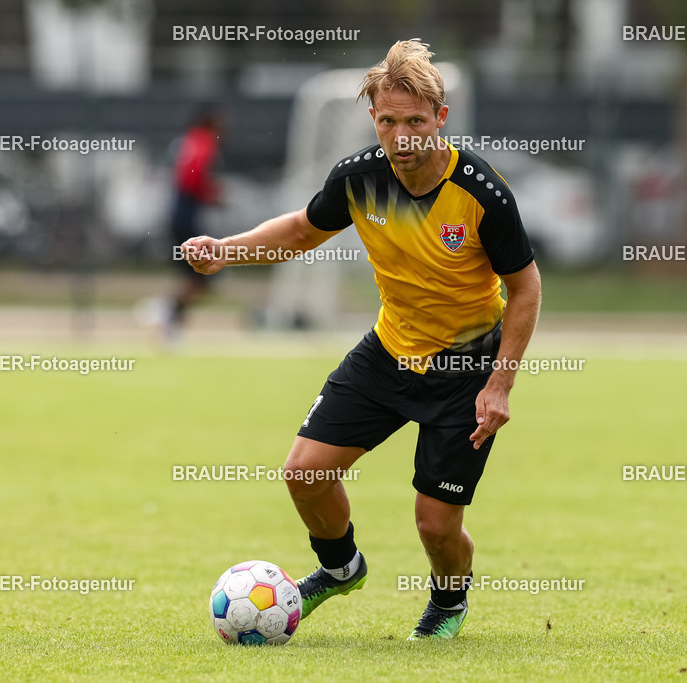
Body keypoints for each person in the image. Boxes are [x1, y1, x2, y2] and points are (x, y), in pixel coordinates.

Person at [182, 39, 541, 639]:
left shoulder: (481, 192)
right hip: (388, 351)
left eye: (416, 122)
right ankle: (341, 568)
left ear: (440, 119)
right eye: (389, 122)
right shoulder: (358, 179)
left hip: (466, 369)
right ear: (373, 119)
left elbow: (525, 288)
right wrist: (226, 252)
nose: (402, 137)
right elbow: (300, 231)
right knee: (305, 472)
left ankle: (449, 603)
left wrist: (499, 384)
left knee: (435, 525)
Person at [167, 103, 224, 342]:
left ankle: (171, 321)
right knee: (203, 275)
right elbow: (192, 178)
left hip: (181, 213)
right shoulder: (204, 143)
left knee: (199, 277)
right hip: (188, 214)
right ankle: (167, 315)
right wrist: (211, 194)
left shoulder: (188, 141)